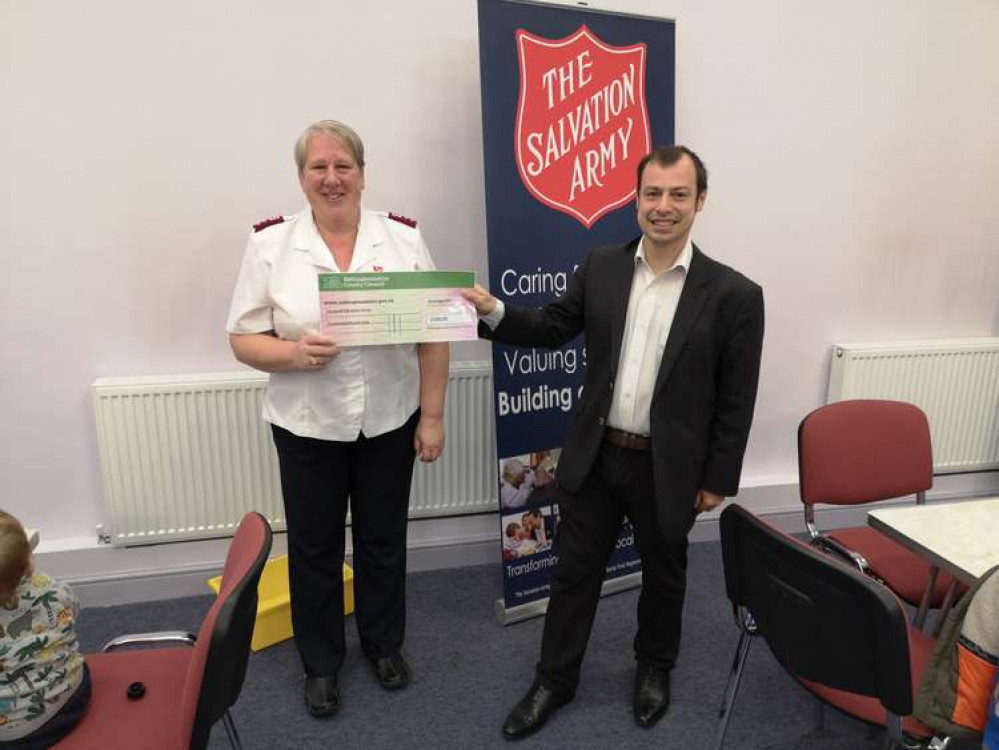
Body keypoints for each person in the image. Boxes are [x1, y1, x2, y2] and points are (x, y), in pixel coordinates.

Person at [463, 145, 764, 738]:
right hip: (598, 458)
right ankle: (554, 678)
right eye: (653, 194)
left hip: (670, 467)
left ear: (700, 202)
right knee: (574, 572)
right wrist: (493, 310)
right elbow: (550, 328)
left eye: (679, 194)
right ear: (636, 199)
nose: (664, 207)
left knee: (664, 572)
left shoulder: (734, 295)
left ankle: (654, 667)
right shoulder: (601, 265)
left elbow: (736, 399)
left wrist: (717, 479)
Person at [226, 120, 448, 719]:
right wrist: (293, 355)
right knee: (316, 547)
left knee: (383, 539)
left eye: (343, 166)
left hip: (389, 420)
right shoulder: (271, 246)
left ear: (362, 172)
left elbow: (434, 334)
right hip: (307, 425)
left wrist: (431, 417)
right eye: (318, 167)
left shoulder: (401, 239)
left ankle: (383, 646)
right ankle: (321, 664)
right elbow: (243, 339)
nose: (332, 178)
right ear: (301, 177)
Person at [0, 511, 90, 748]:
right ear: (29, 559)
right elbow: (73, 609)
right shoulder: (50, 588)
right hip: (73, 698)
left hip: (12, 736)